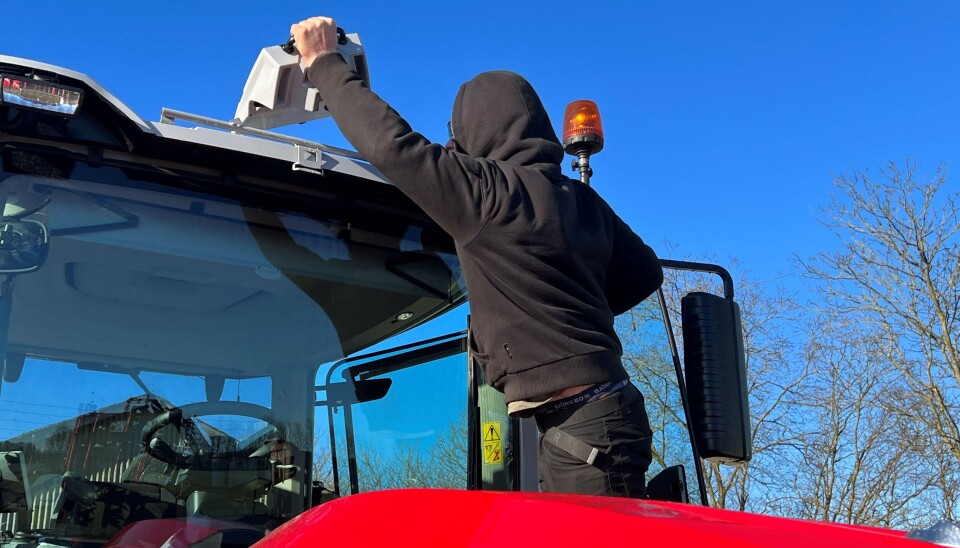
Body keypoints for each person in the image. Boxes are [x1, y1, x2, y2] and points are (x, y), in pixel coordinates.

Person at [291, 16, 664, 498]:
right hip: (598, 420)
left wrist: (323, 63)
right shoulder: (580, 198)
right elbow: (645, 273)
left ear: (472, 134)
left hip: (584, 428)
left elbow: (391, 145)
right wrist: (560, 311)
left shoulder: (488, 193)